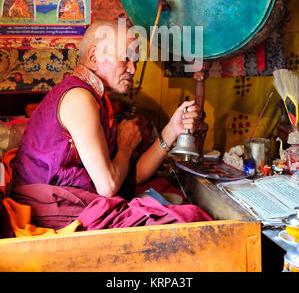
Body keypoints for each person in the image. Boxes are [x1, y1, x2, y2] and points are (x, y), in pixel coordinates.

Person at [10, 20, 211, 231]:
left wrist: (172, 131)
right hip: (48, 210)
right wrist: (125, 146)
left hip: (76, 202)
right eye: (125, 59)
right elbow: (108, 186)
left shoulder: (99, 99)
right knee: (188, 219)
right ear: (94, 57)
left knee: (170, 196)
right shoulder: (79, 98)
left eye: (134, 61)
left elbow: (128, 176)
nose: (132, 69)